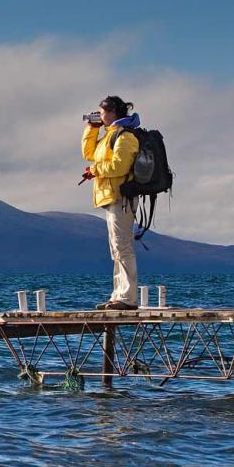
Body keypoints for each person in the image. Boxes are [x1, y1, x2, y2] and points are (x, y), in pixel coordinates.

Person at [81, 96, 140, 310]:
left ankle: (127, 298)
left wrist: (96, 170)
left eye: (102, 112)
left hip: (122, 197)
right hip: (112, 196)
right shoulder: (110, 136)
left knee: (122, 246)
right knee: (116, 248)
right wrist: (92, 128)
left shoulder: (125, 137)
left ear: (113, 112)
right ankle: (119, 295)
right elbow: (89, 153)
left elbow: (119, 167)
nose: (99, 115)